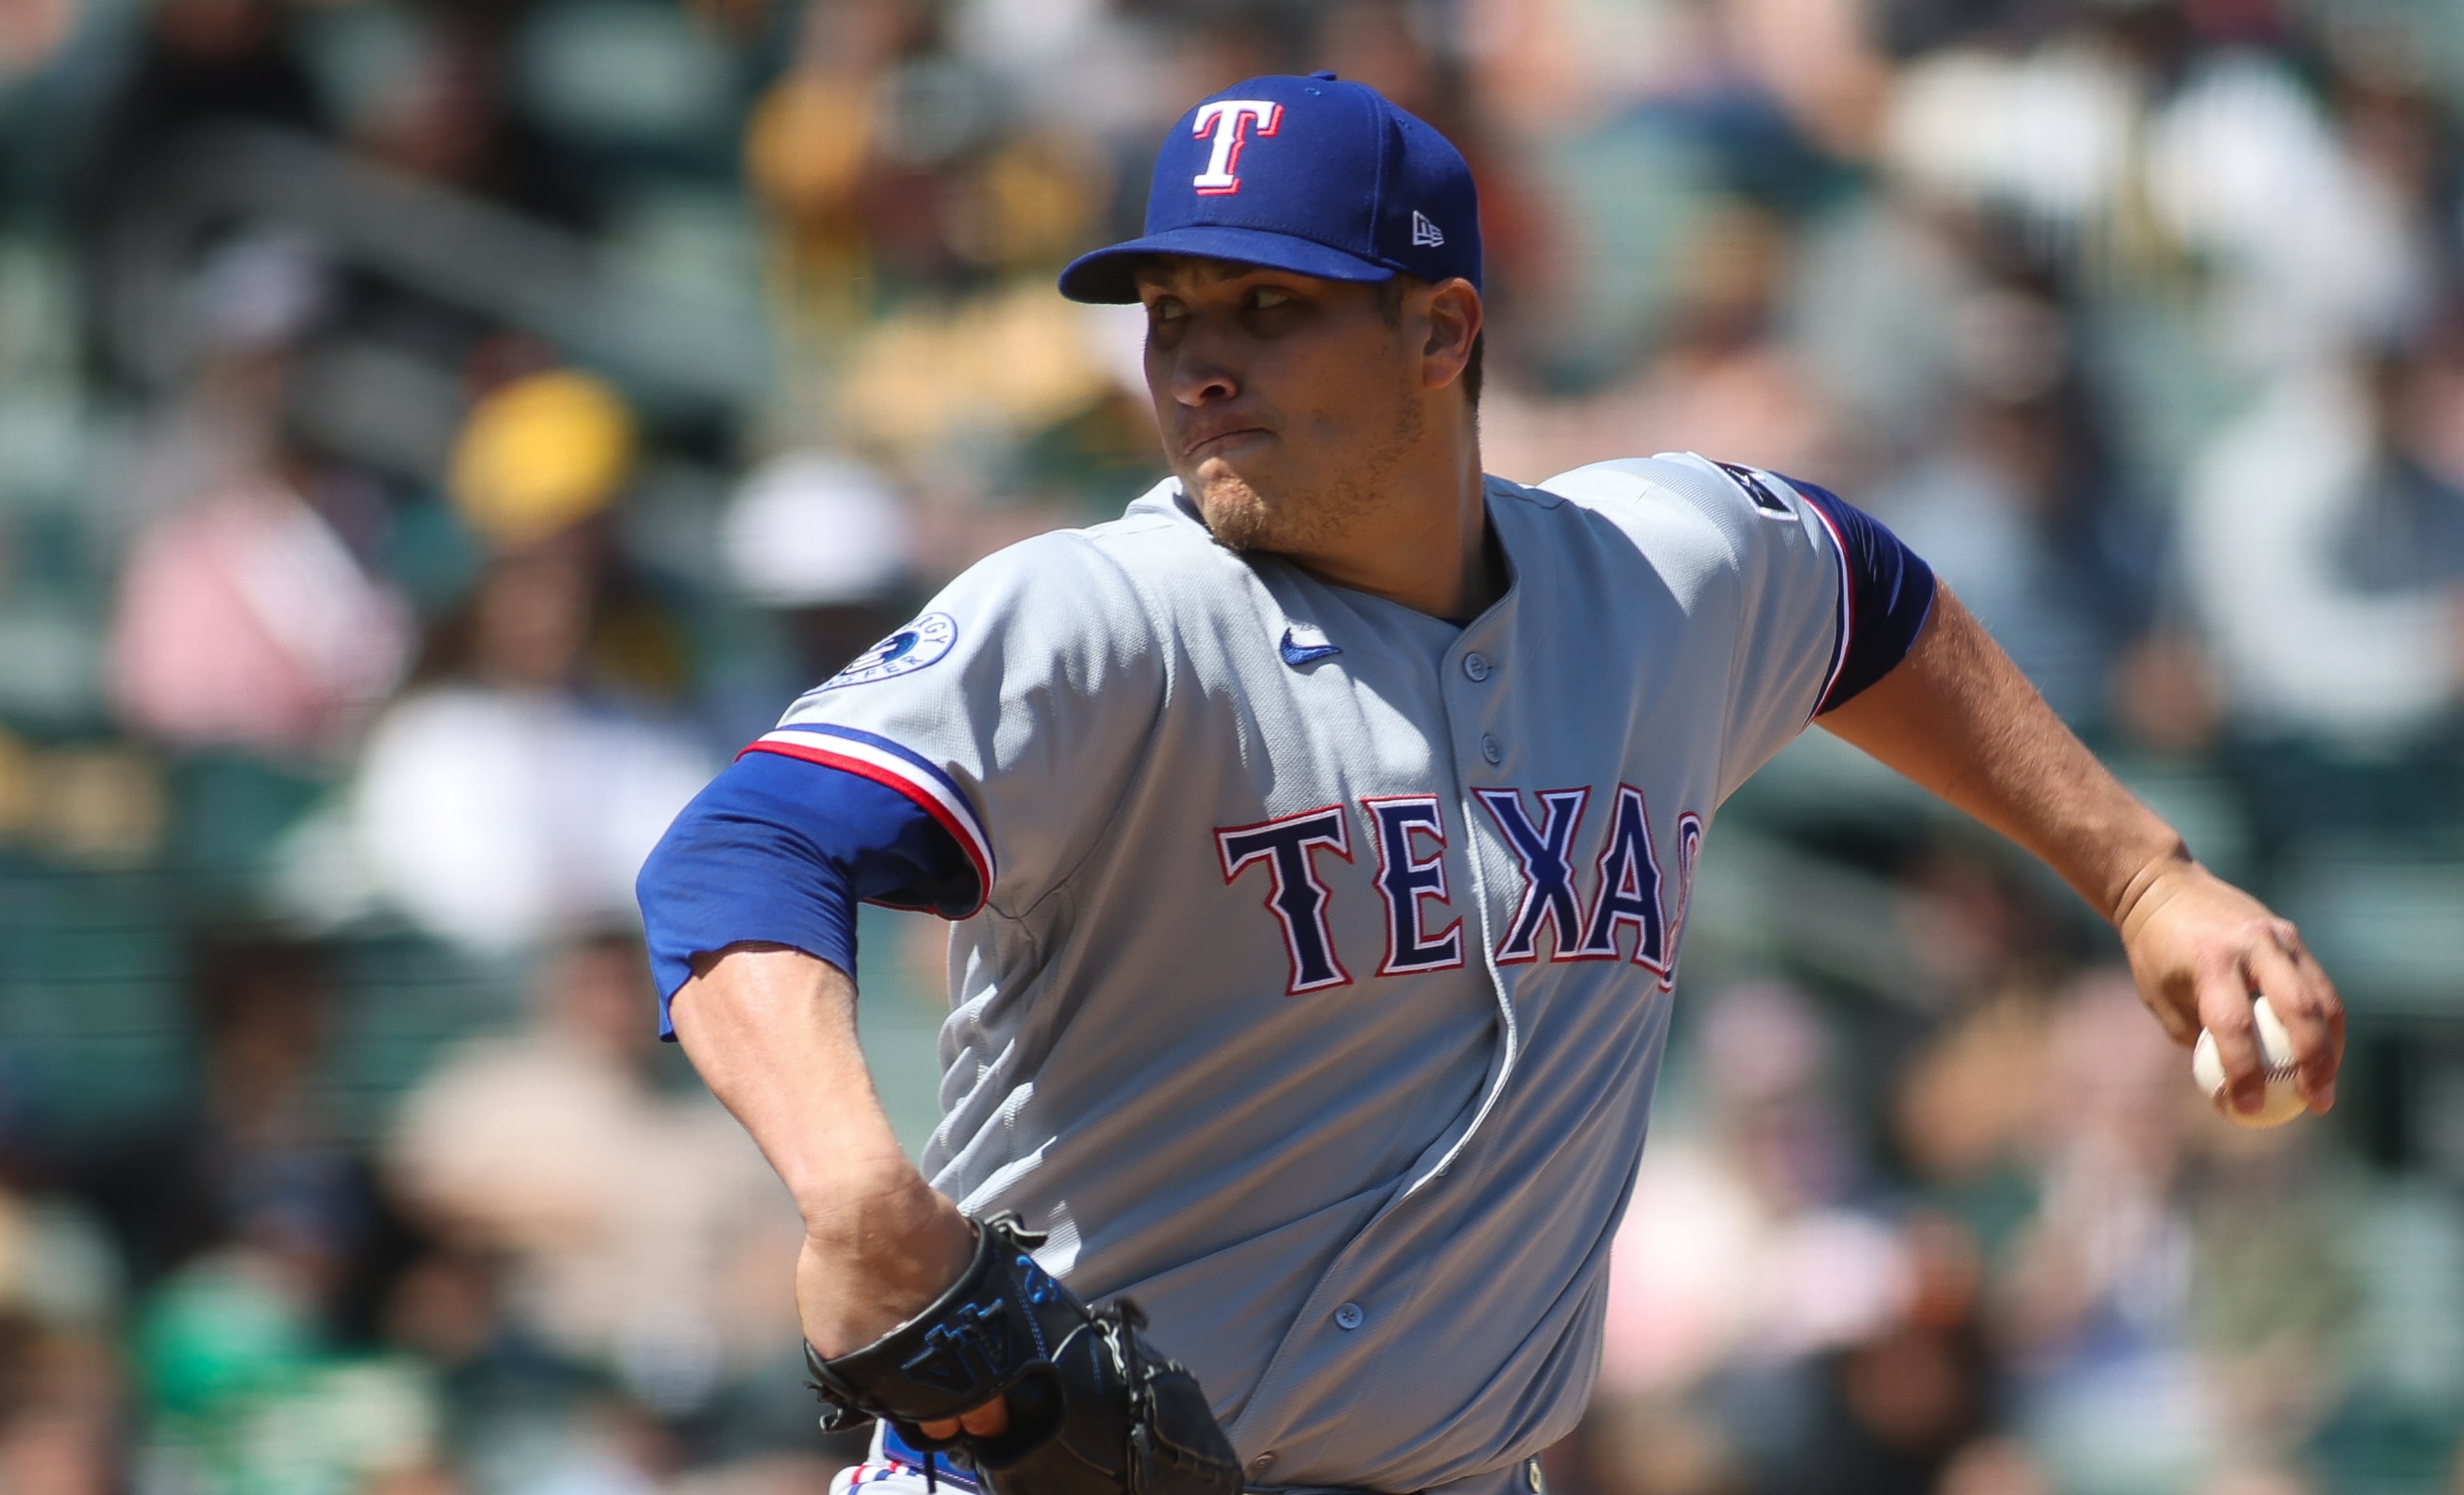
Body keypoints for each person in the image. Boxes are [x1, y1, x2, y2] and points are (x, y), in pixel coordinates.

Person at [635, 73, 2344, 1495]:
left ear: (1444, 327)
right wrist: (860, 1190)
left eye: (1269, 309)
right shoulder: (1107, 617)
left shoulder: (1661, 574)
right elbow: (743, 851)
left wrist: (2142, 875)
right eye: (1171, 318)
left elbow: (1858, 592)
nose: (1199, 365)